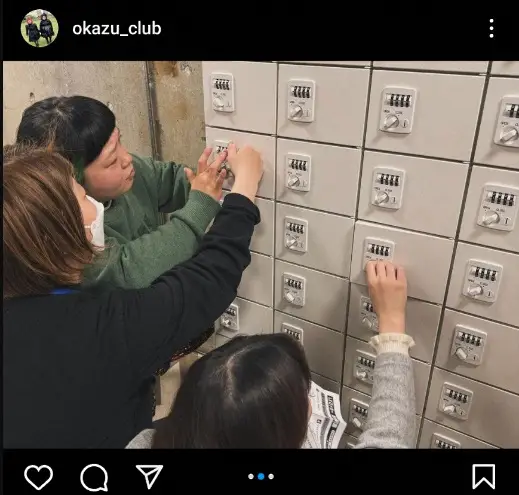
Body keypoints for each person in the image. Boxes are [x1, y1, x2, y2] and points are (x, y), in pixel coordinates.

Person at [3, 141, 264, 448]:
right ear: (63, 232)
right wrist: (244, 188)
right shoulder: (105, 328)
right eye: (83, 196)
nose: (95, 205)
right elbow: (207, 280)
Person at [15, 95, 229, 408]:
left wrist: (203, 184)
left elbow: (168, 180)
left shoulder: (130, 175)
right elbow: (126, 271)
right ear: (65, 183)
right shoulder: (68, 240)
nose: (127, 160)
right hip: (106, 365)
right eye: (111, 161)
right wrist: (201, 207)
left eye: (120, 145)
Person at [126, 260, 416, 449]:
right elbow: (388, 440)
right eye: (304, 397)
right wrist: (392, 325)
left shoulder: (147, 444)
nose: (311, 403)